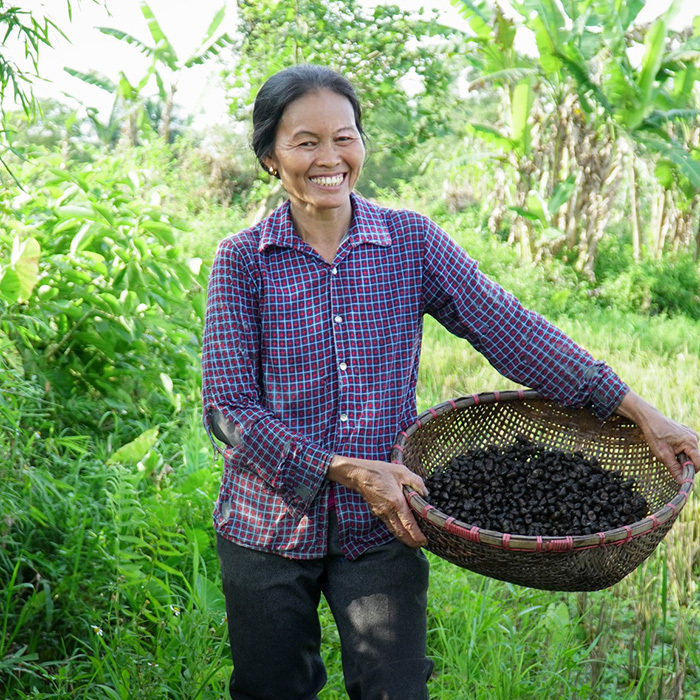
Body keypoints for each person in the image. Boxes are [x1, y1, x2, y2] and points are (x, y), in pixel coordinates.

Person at [201, 64, 700, 700]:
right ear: (270, 156)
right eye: (306, 142)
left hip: (382, 528)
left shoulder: (408, 242)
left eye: (344, 137)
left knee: (397, 688)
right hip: (265, 525)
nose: (329, 158)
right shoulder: (243, 260)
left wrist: (638, 411)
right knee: (272, 688)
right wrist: (343, 468)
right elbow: (227, 406)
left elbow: (511, 330)